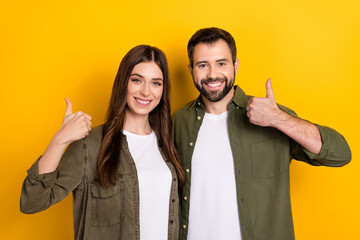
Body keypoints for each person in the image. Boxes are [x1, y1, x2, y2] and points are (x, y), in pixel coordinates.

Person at [172, 27, 351, 240]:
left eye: (221, 63)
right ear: (191, 69)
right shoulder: (178, 121)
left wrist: (278, 119)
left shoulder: (269, 114)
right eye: (203, 65)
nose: (212, 74)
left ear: (235, 65)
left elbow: (340, 154)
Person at [20, 45, 184, 240]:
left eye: (156, 83)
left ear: (163, 89)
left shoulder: (168, 144)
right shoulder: (89, 145)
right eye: (137, 80)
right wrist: (60, 140)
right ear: (123, 83)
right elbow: (32, 201)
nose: (146, 91)